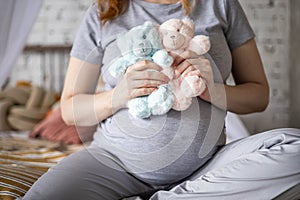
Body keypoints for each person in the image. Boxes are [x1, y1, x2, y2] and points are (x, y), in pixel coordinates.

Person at [23, 0, 300, 199]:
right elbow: (71, 109)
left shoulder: (221, 5)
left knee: (295, 150)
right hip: (112, 162)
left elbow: (258, 95)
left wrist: (213, 89)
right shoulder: (103, 12)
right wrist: (117, 96)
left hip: (207, 166)